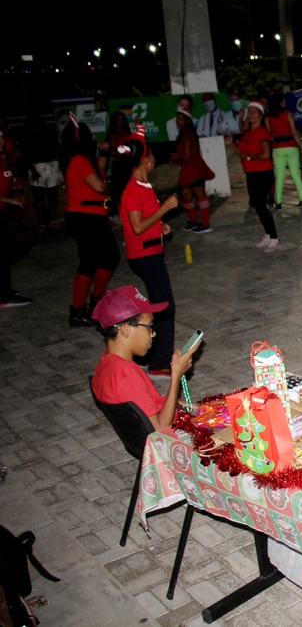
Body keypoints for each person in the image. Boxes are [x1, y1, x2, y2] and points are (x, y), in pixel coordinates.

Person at [91, 285, 198, 430]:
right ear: (125, 329)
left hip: (166, 419)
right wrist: (176, 376)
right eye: (149, 326)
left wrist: (187, 406)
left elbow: (150, 402)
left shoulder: (106, 365)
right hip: (168, 441)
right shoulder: (127, 375)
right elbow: (160, 430)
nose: (153, 334)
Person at [119, 128, 180, 375]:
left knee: (158, 305)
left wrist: (160, 226)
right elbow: (136, 226)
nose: (155, 158)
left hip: (150, 252)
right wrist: (165, 208)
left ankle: (147, 354)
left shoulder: (144, 186)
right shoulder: (133, 189)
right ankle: (158, 362)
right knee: (165, 307)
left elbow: (146, 221)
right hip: (144, 256)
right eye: (152, 153)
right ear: (145, 159)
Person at [61, 117, 120, 327]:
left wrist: (103, 154)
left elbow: (101, 173)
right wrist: (108, 189)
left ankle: (95, 304)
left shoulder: (86, 160)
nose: (94, 139)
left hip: (94, 218)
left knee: (108, 258)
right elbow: (99, 186)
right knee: (91, 261)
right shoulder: (79, 160)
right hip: (85, 219)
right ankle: (78, 310)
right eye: (90, 136)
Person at [234, 102, 281, 252]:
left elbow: (266, 155)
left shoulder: (262, 132)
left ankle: (274, 237)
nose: (251, 114)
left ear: (260, 115)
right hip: (252, 174)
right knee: (257, 205)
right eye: (250, 112)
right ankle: (268, 234)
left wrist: (248, 158)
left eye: (254, 112)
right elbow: (241, 151)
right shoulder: (248, 133)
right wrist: (232, 145)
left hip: (263, 173)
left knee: (261, 205)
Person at [171, 111, 214, 233]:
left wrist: (176, 157)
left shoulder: (187, 134)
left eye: (180, 119)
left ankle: (205, 224)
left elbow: (187, 156)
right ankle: (194, 221)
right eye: (177, 119)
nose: (177, 121)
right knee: (186, 195)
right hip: (190, 168)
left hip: (193, 168)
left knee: (198, 194)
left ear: (187, 121)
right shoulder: (184, 134)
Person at [0, 142, 30, 307]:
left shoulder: (4, 159)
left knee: (7, 252)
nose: (2, 141)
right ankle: (5, 296)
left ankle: (4, 291)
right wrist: (12, 200)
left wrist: (15, 189)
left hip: (4, 211)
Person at [267, 93, 302, 210]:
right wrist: (301, 147)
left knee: (279, 177)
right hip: (291, 147)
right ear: (280, 102)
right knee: (296, 175)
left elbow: (270, 135)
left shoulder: (268, 118)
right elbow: (294, 132)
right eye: (283, 100)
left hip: (277, 149)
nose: (285, 102)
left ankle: (278, 203)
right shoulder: (288, 114)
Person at [25, 118, 62, 231]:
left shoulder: (30, 136)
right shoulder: (49, 134)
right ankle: (51, 221)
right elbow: (57, 151)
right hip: (50, 165)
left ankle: (44, 223)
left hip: (40, 166)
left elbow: (26, 154)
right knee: (50, 198)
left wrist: (33, 169)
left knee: (40, 199)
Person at [102, 111, 134, 215]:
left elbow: (132, 150)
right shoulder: (111, 135)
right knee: (116, 192)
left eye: (122, 119)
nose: (120, 122)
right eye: (118, 119)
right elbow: (111, 152)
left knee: (128, 191)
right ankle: (116, 213)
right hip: (117, 167)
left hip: (128, 166)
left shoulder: (128, 134)